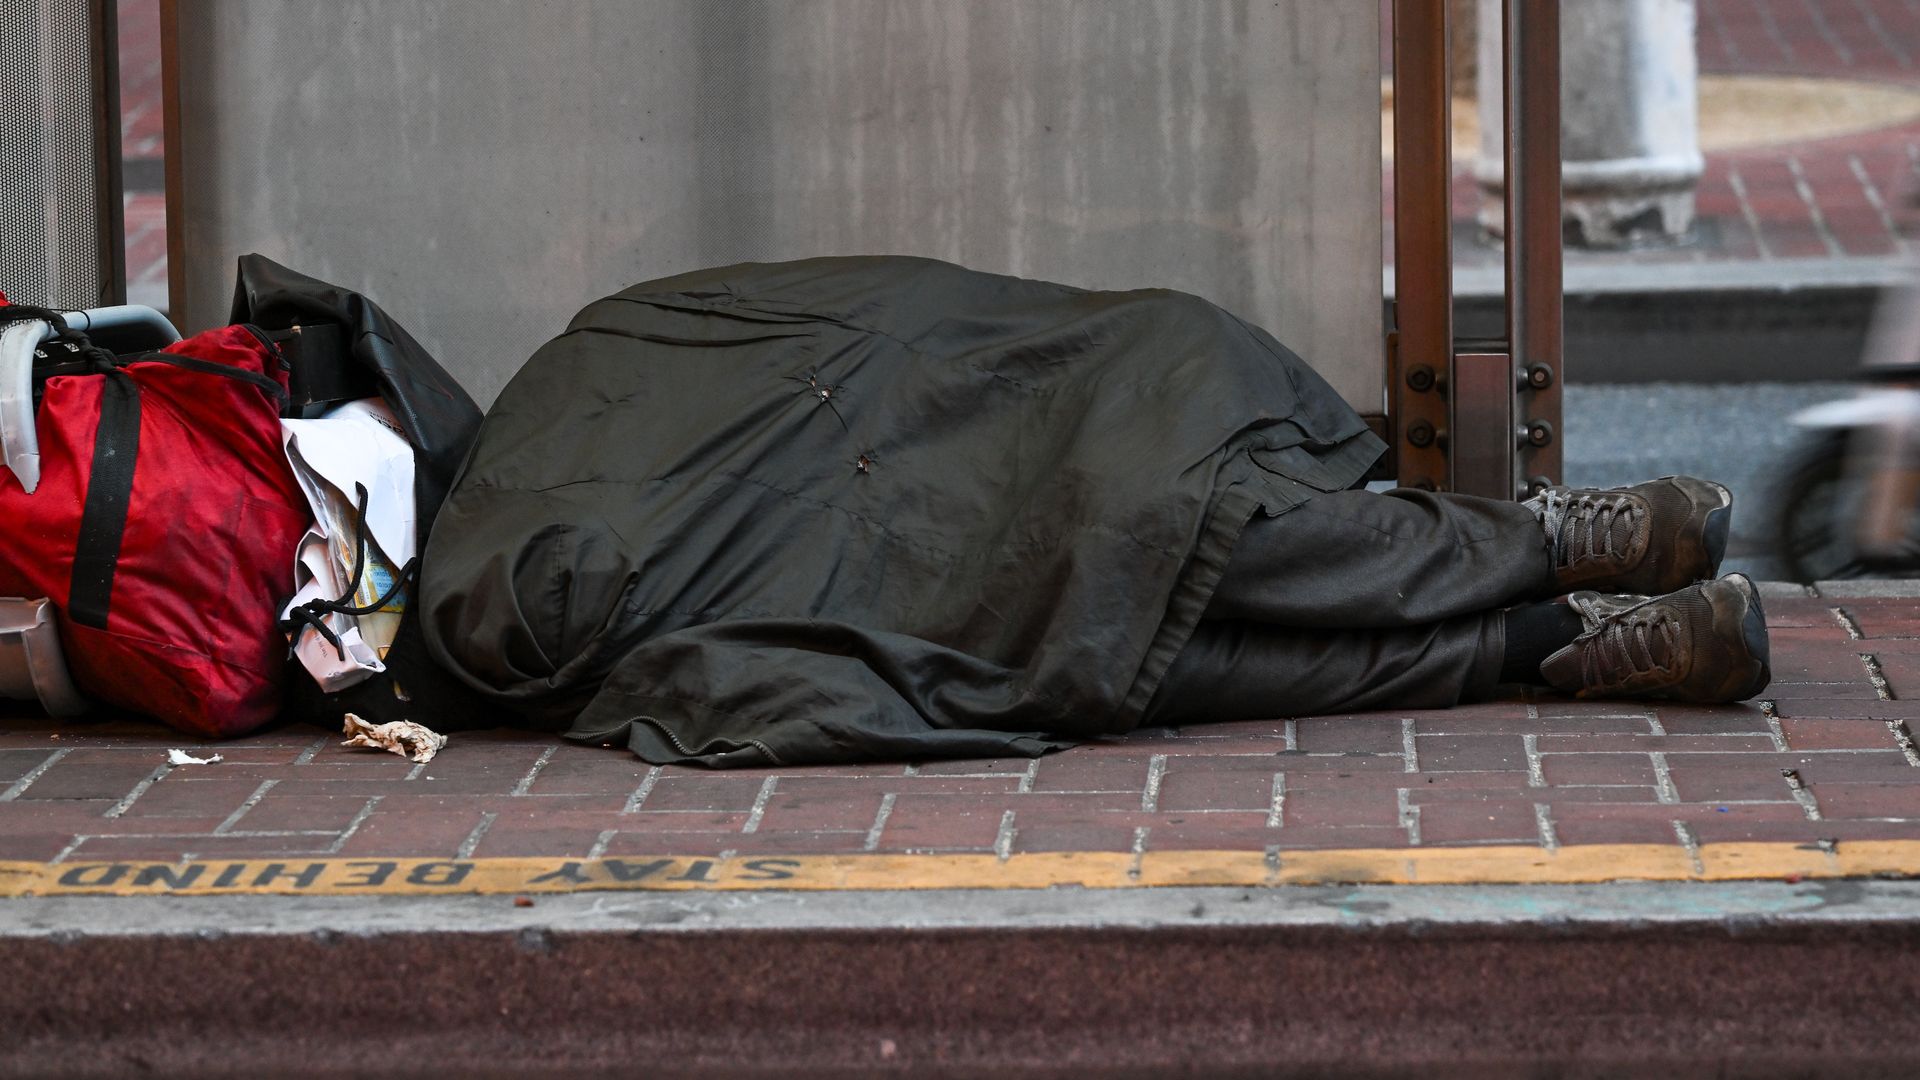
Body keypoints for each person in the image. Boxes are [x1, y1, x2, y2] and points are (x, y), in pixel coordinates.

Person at [419, 256, 1769, 767]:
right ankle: (1558, 633)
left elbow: (877, 327)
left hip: (1017, 438)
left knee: (1185, 533)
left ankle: (1551, 552)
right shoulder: (515, 594)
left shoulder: (598, 368)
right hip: (949, 570)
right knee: (1151, 651)